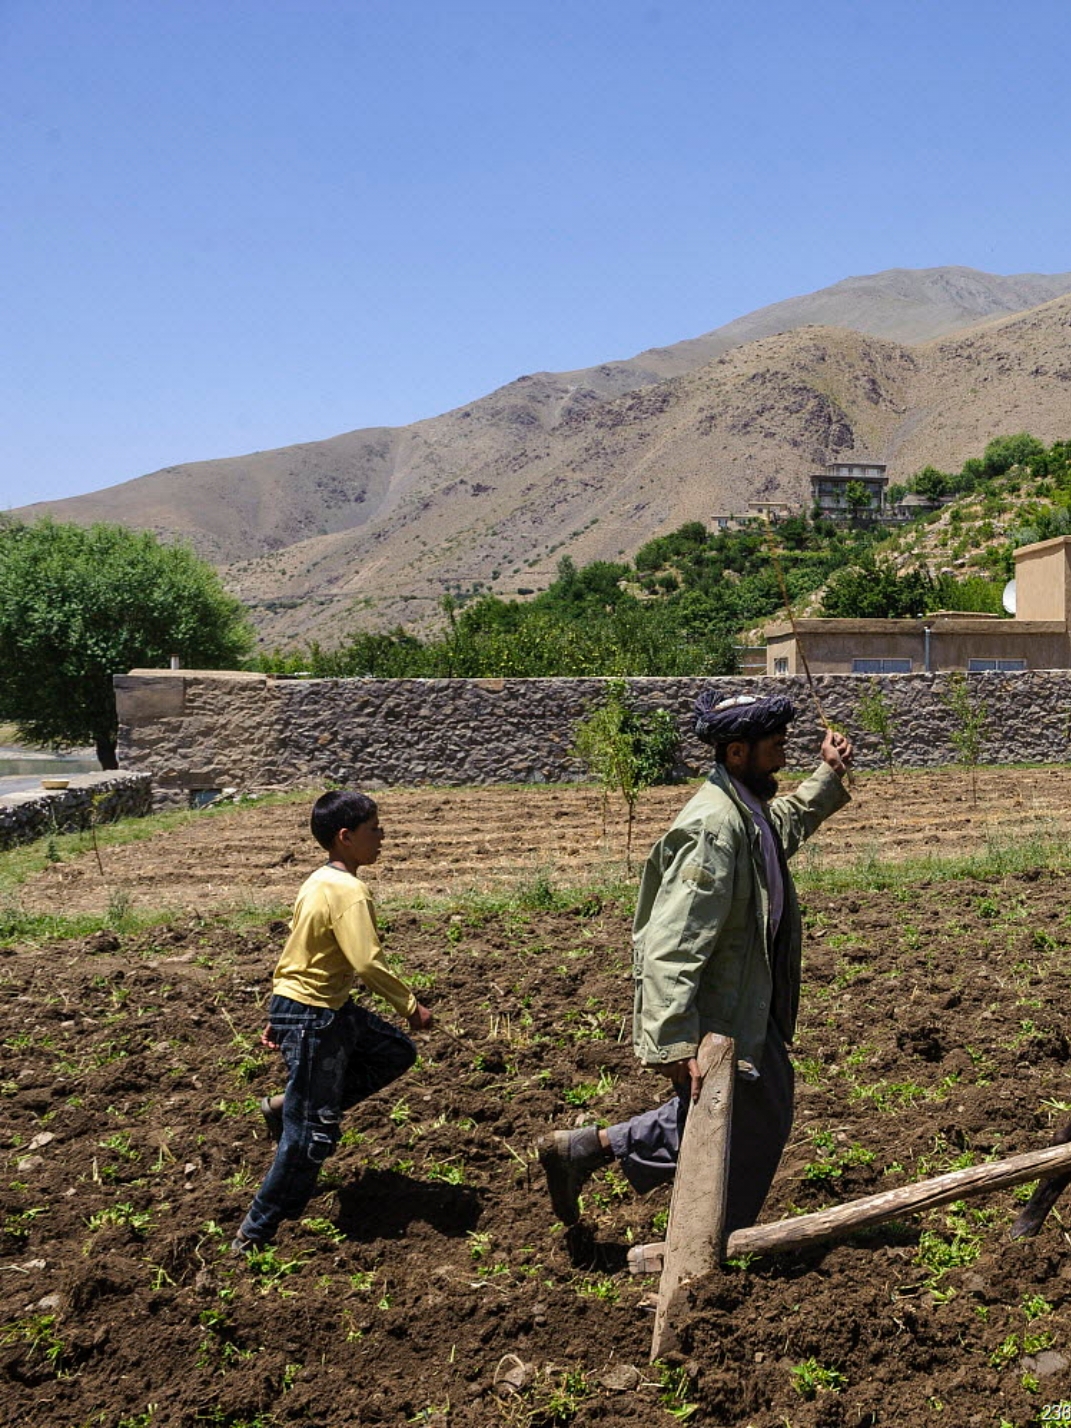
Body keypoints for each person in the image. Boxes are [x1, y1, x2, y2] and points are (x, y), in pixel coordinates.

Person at [537, 691, 853, 1237]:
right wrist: (671, 1042)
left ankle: (589, 1150)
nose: (782, 758)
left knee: (732, 1116)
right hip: (722, 1016)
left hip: (747, 1004)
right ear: (735, 752)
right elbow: (673, 943)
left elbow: (783, 826)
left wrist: (828, 774)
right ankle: (708, 1249)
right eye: (774, 748)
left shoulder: (744, 809)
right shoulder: (712, 829)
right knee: (748, 1126)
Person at [233, 789, 433, 1252]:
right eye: (373, 830)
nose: (382, 837)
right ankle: (256, 1231)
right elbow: (365, 963)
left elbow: (299, 951)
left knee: (394, 1051)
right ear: (345, 837)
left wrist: (279, 1013)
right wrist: (410, 1006)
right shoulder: (349, 891)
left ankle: (289, 1104)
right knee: (312, 1132)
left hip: (310, 1009)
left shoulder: (317, 881)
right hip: (314, 1016)